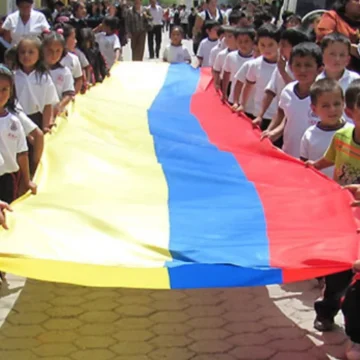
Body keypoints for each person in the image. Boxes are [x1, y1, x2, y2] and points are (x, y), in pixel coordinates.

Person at [307, 79, 360, 337]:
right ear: (351, 113)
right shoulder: (341, 137)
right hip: (343, 216)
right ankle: (325, 313)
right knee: (337, 274)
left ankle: (354, 333)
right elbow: (327, 160)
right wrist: (308, 168)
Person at [269, 42, 322, 158]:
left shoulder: (324, 96)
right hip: (289, 154)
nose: (302, 70)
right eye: (297, 65)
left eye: (308, 65)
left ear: (319, 69)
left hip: (315, 161)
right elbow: (287, 118)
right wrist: (273, 133)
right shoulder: (287, 91)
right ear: (290, 67)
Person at [253, 28, 309, 133]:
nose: (280, 48)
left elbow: (298, 91)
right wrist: (260, 115)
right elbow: (270, 91)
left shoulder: (304, 69)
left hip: (296, 124)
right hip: (278, 117)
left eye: (284, 45)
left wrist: (283, 72)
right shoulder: (282, 65)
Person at [0, 64, 36, 204]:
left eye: (4, 90)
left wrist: (27, 181)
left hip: (8, 179)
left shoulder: (14, 122)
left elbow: (22, 153)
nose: (0, 94)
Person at [300, 79, 350, 178]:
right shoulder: (309, 135)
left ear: (343, 103)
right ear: (314, 109)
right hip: (318, 190)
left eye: (336, 104)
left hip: (346, 191)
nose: (332, 109)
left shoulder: (353, 132)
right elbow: (304, 165)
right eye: (325, 106)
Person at [239, 24, 280, 132]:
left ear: (279, 44)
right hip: (259, 115)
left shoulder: (286, 65)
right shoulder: (254, 65)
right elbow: (248, 85)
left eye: (271, 45)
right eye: (262, 45)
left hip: (279, 116)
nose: (266, 49)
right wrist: (242, 104)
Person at [14, 36, 59, 134]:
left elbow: (48, 104)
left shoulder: (44, 77)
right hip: (16, 119)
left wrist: (46, 125)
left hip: (37, 118)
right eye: (22, 52)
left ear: (39, 55)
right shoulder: (13, 76)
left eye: (31, 52)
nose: (26, 55)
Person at [317, 32, 360, 123]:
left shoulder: (355, 80)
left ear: (348, 59)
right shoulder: (316, 81)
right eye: (332, 54)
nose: (337, 59)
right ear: (322, 56)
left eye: (342, 55)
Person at [316, 0, 360, 72]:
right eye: (356, 0)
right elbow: (323, 35)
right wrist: (350, 47)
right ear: (345, 2)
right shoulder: (332, 16)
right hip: (331, 70)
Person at [42, 31, 75, 118]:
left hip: (56, 113)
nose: (54, 55)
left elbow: (69, 93)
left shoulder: (64, 72)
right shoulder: (36, 71)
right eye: (50, 50)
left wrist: (59, 106)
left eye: (58, 51)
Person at [222, 26, 255, 104]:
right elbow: (226, 74)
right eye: (240, 41)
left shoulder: (256, 59)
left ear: (253, 42)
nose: (243, 44)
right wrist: (224, 93)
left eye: (246, 41)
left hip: (251, 102)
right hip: (233, 99)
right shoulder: (231, 56)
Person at [57, 23, 83, 94]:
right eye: (73, 38)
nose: (76, 41)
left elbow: (79, 79)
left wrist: (72, 95)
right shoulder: (47, 59)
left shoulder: (74, 59)